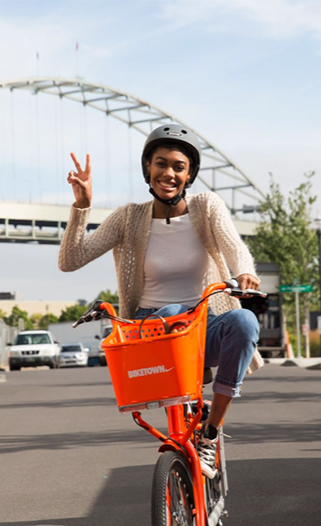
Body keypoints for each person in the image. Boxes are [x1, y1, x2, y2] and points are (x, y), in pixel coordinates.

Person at [58, 124, 262, 478]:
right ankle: (185, 425)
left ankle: (210, 431)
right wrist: (82, 207)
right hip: (152, 330)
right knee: (169, 314)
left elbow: (235, 247)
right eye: (160, 163)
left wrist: (245, 272)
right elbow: (70, 260)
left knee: (244, 322)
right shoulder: (128, 218)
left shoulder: (206, 206)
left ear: (189, 175)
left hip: (203, 323)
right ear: (147, 169)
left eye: (179, 167)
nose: (169, 173)